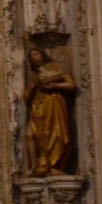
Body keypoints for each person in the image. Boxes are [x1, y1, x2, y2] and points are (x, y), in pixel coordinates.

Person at [24, 44, 78, 175]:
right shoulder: (34, 76)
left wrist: (55, 85)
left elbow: (71, 85)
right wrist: (32, 87)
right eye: (31, 56)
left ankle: (55, 166)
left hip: (54, 105)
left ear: (42, 55)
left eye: (36, 54)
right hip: (38, 107)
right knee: (30, 134)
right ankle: (34, 165)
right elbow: (26, 98)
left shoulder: (56, 67)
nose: (35, 57)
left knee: (56, 134)